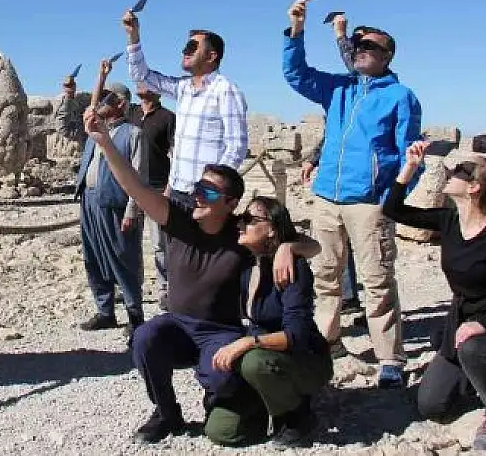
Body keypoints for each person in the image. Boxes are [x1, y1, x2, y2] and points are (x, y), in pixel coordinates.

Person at [80, 105, 318, 444]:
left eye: (208, 192)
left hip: (219, 332)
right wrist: (104, 143)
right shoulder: (177, 218)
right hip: (178, 324)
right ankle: (167, 414)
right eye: (197, 188)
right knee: (145, 338)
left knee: (223, 383)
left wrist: (288, 248)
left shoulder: (241, 233)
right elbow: (135, 187)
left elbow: (312, 246)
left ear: (230, 202)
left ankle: (239, 403)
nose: (197, 196)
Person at [281, 0, 424, 388]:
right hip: (327, 198)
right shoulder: (339, 88)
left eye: (369, 46)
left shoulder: (400, 97)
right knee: (326, 276)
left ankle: (390, 359)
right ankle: (328, 343)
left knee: (377, 281)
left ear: (387, 56)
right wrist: (297, 30)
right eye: (357, 45)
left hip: (368, 204)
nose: (360, 50)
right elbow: (296, 75)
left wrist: (390, 200)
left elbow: (409, 154)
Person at [383, 142, 486, 455]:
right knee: (432, 405)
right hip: (460, 320)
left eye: (460, 171)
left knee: (472, 348)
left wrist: (482, 324)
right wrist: (410, 168)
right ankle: (482, 373)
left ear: (474, 187)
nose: (451, 173)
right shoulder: (448, 220)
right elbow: (393, 210)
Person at [202, 196, 334, 449]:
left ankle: (298, 416)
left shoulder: (291, 268)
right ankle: (266, 406)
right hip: (263, 357)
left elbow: (296, 336)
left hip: (301, 358)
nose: (241, 224)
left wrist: (288, 247)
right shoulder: (247, 258)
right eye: (241, 219)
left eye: (249, 220)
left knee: (253, 362)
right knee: (222, 430)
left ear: (271, 228)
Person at [122, 8, 249, 209]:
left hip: (205, 196)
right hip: (177, 193)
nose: (185, 51)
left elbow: (236, 147)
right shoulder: (183, 88)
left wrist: (212, 190)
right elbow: (141, 75)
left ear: (211, 56)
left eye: (192, 47)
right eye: (185, 47)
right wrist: (133, 35)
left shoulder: (225, 90)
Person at [74, 63, 147, 333]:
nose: (101, 103)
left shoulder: (133, 134)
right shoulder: (95, 130)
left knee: (123, 259)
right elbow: (92, 108)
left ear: (121, 104)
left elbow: (138, 176)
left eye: (108, 98)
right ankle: (105, 311)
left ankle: (135, 315)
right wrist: (100, 76)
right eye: (101, 98)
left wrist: (132, 211)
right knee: (93, 257)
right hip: (90, 201)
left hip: (116, 205)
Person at [302, 133, 363, 321]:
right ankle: (347, 296)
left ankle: (349, 296)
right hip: (334, 186)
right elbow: (333, 133)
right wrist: (314, 159)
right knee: (335, 248)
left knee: (375, 269)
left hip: (363, 185)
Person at [135, 83, 176, 310]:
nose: (140, 83)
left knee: (159, 243)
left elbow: (175, 153)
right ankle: (131, 287)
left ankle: (165, 288)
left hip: (157, 188)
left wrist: (170, 187)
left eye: (147, 82)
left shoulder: (168, 118)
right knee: (130, 241)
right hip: (131, 188)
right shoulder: (132, 113)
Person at [52, 72, 85, 145]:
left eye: (71, 85)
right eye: (67, 86)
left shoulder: (80, 99)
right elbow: (62, 129)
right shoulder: (64, 102)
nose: (69, 88)